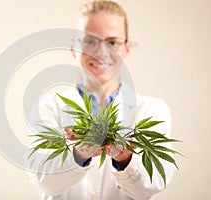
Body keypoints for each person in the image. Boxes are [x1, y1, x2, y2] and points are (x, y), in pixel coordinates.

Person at [26, 0, 177, 199]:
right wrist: (79, 154)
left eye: (112, 42)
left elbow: (152, 185)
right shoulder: (49, 106)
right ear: (74, 47)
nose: (101, 53)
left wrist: (125, 159)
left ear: (126, 48)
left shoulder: (152, 109)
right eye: (89, 41)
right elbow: (44, 181)